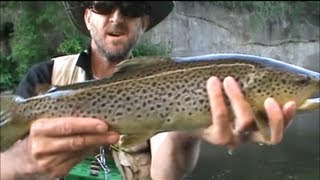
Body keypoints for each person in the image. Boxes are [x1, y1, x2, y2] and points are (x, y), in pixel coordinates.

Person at [0, 1, 297, 180]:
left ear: (144, 22)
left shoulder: (167, 84)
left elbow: (164, 176)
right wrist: (26, 159)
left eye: (130, 8)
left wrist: (191, 126)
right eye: (104, 4)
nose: (116, 17)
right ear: (88, 16)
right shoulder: (44, 77)